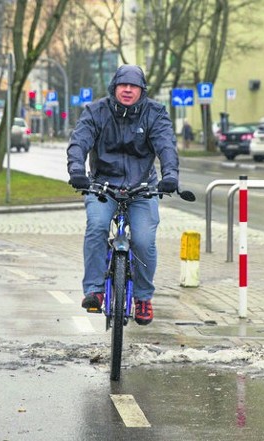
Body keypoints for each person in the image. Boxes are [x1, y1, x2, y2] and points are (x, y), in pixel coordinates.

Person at [66, 64, 179, 326]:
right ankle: (94, 291)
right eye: (123, 85)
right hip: (102, 186)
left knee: (143, 240)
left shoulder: (155, 113)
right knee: (96, 226)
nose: (128, 90)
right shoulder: (95, 112)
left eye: (134, 86)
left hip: (142, 187)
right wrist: (76, 170)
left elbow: (166, 145)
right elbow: (79, 142)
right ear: (114, 87)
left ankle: (143, 298)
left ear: (142, 90)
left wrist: (170, 175)